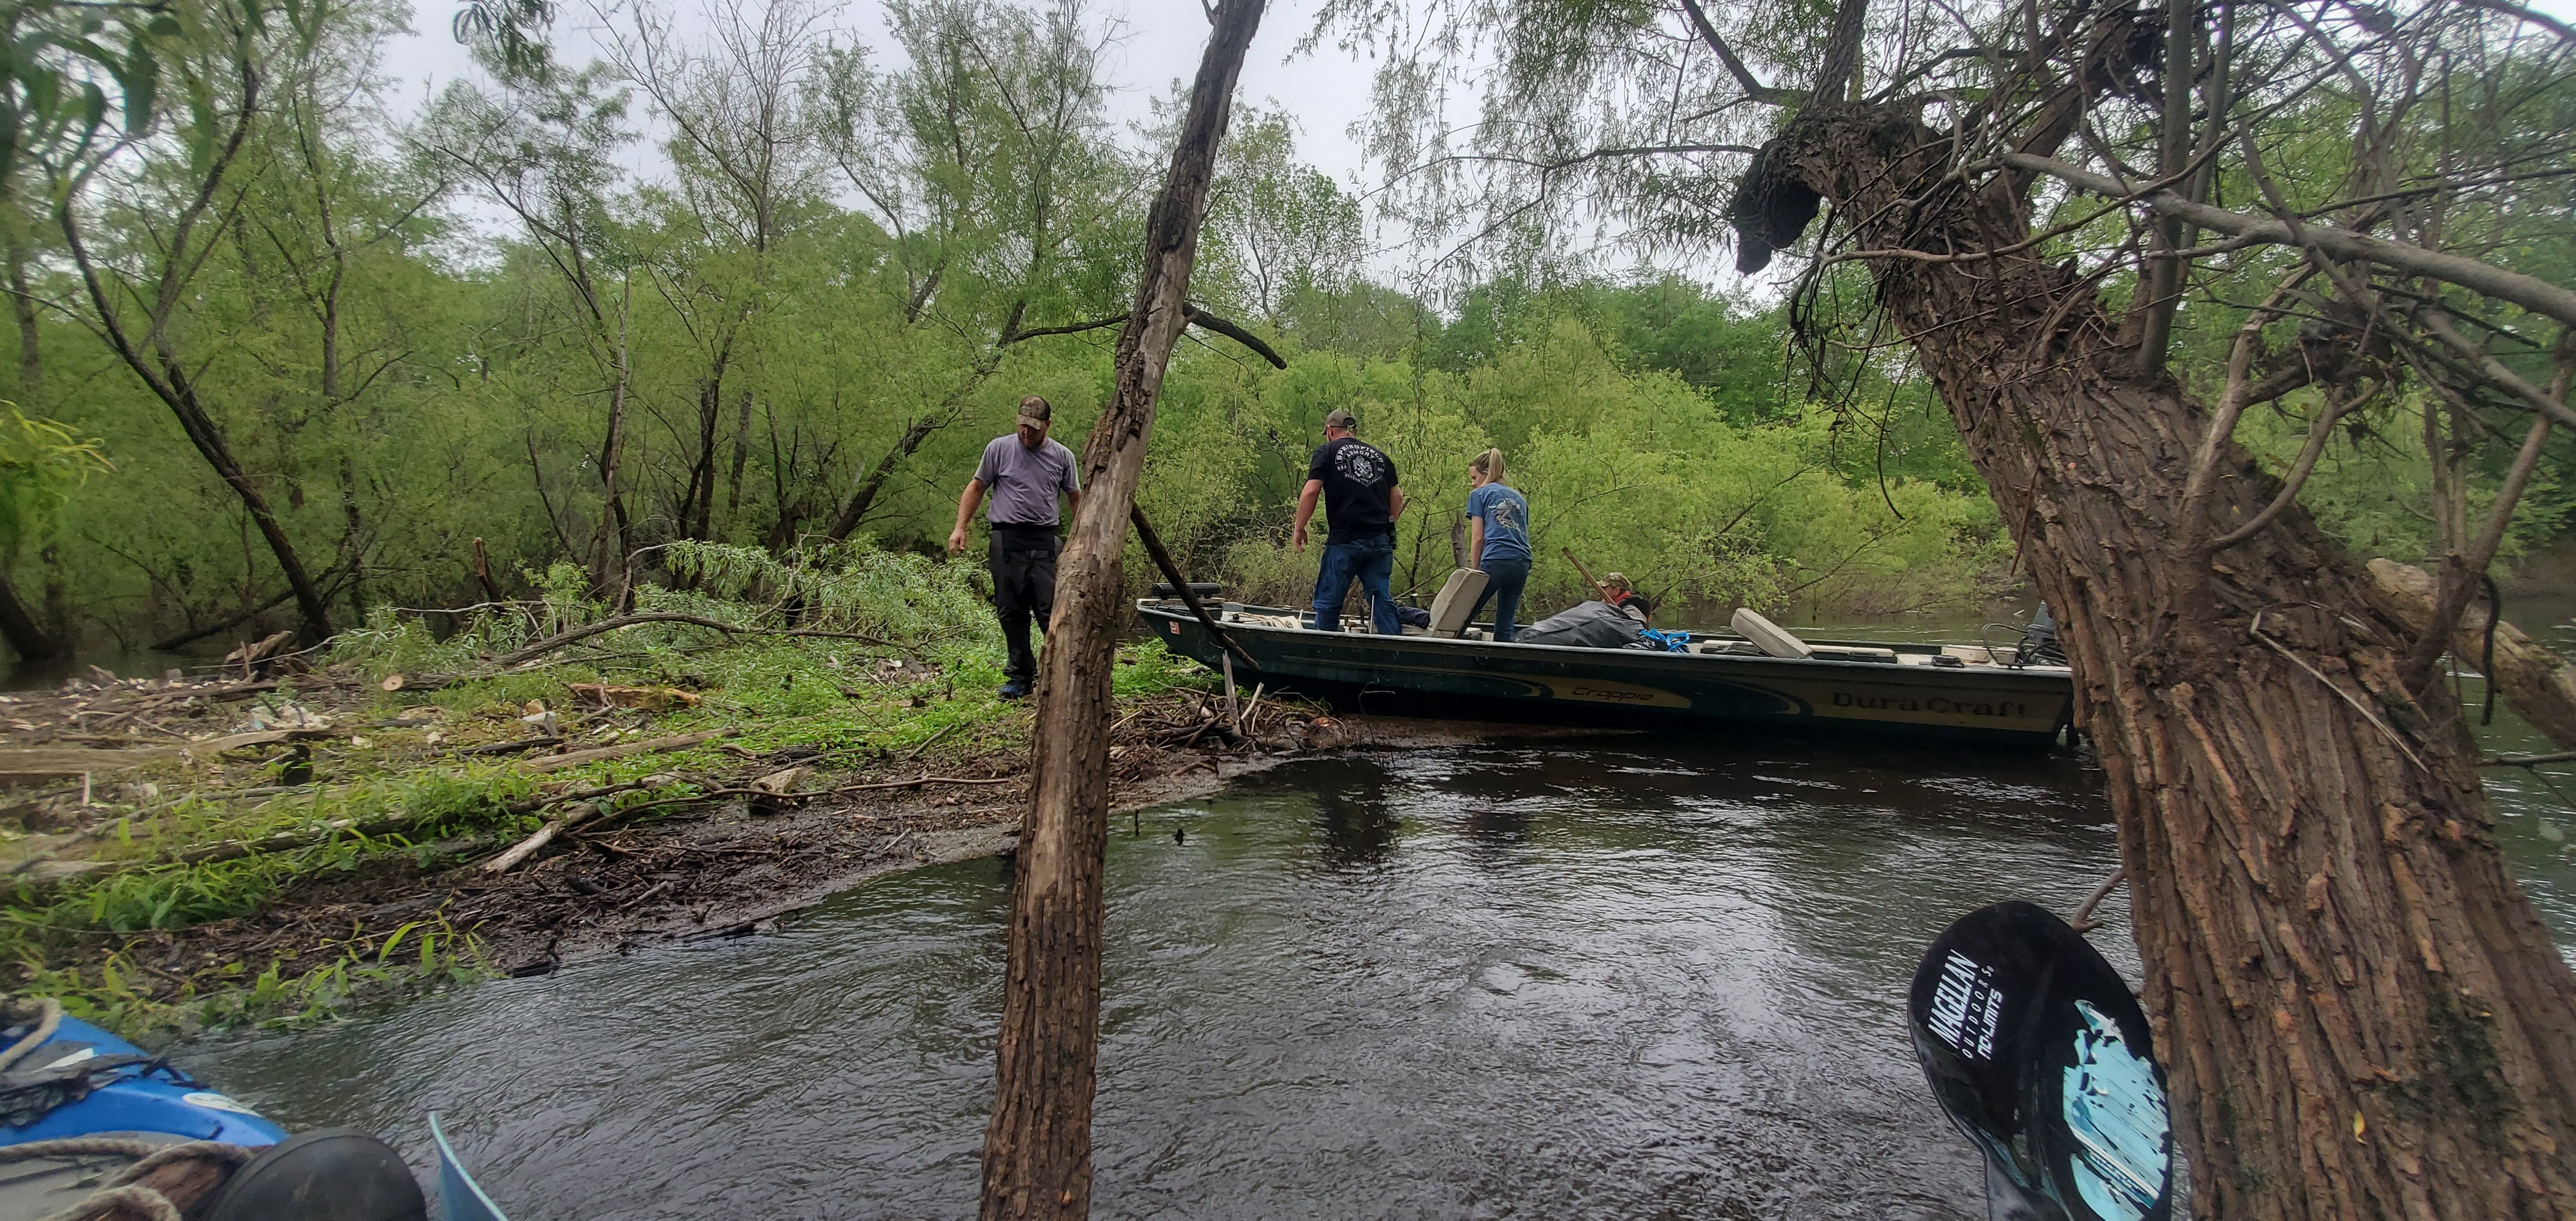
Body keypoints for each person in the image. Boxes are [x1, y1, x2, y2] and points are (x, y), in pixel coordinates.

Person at [948, 395, 1081, 699]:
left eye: (1034, 428)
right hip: (1007, 538)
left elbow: (1075, 497)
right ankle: (1020, 676)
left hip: (1045, 540)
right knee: (1011, 611)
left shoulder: (1062, 457)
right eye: (1023, 426)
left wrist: (1081, 538)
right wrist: (960, 528)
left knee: (1051, 611)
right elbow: (977, 487)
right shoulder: (998, 449)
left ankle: (1059, 675)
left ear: (1047, 425)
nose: (1027, 433)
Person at [1292, 407, 1406, 633]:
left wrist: (1299, 527)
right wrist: (1389, 523)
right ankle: (1395, 653)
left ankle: (1326, 654)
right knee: (1381, 600)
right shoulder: (1381, 457)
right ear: (1353, 430)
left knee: (1328, 601)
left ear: (1330, 430)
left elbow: (1311, 492)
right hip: (1379, 540)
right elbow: (1397, 495)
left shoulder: (1327, 451)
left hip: (1346, 539)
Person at [1460, 448, 1531, 640]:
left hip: (1497, 558)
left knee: (1466, 612)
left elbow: (1478, 539)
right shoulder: (1519, 498)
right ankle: (1502, 660)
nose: (1473, 483)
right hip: (1522, 561)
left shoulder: (1479, 494)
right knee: (1506, 619)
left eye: (1475, 477)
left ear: (1486, 474)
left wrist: (1475, 574)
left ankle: (1448, 652)